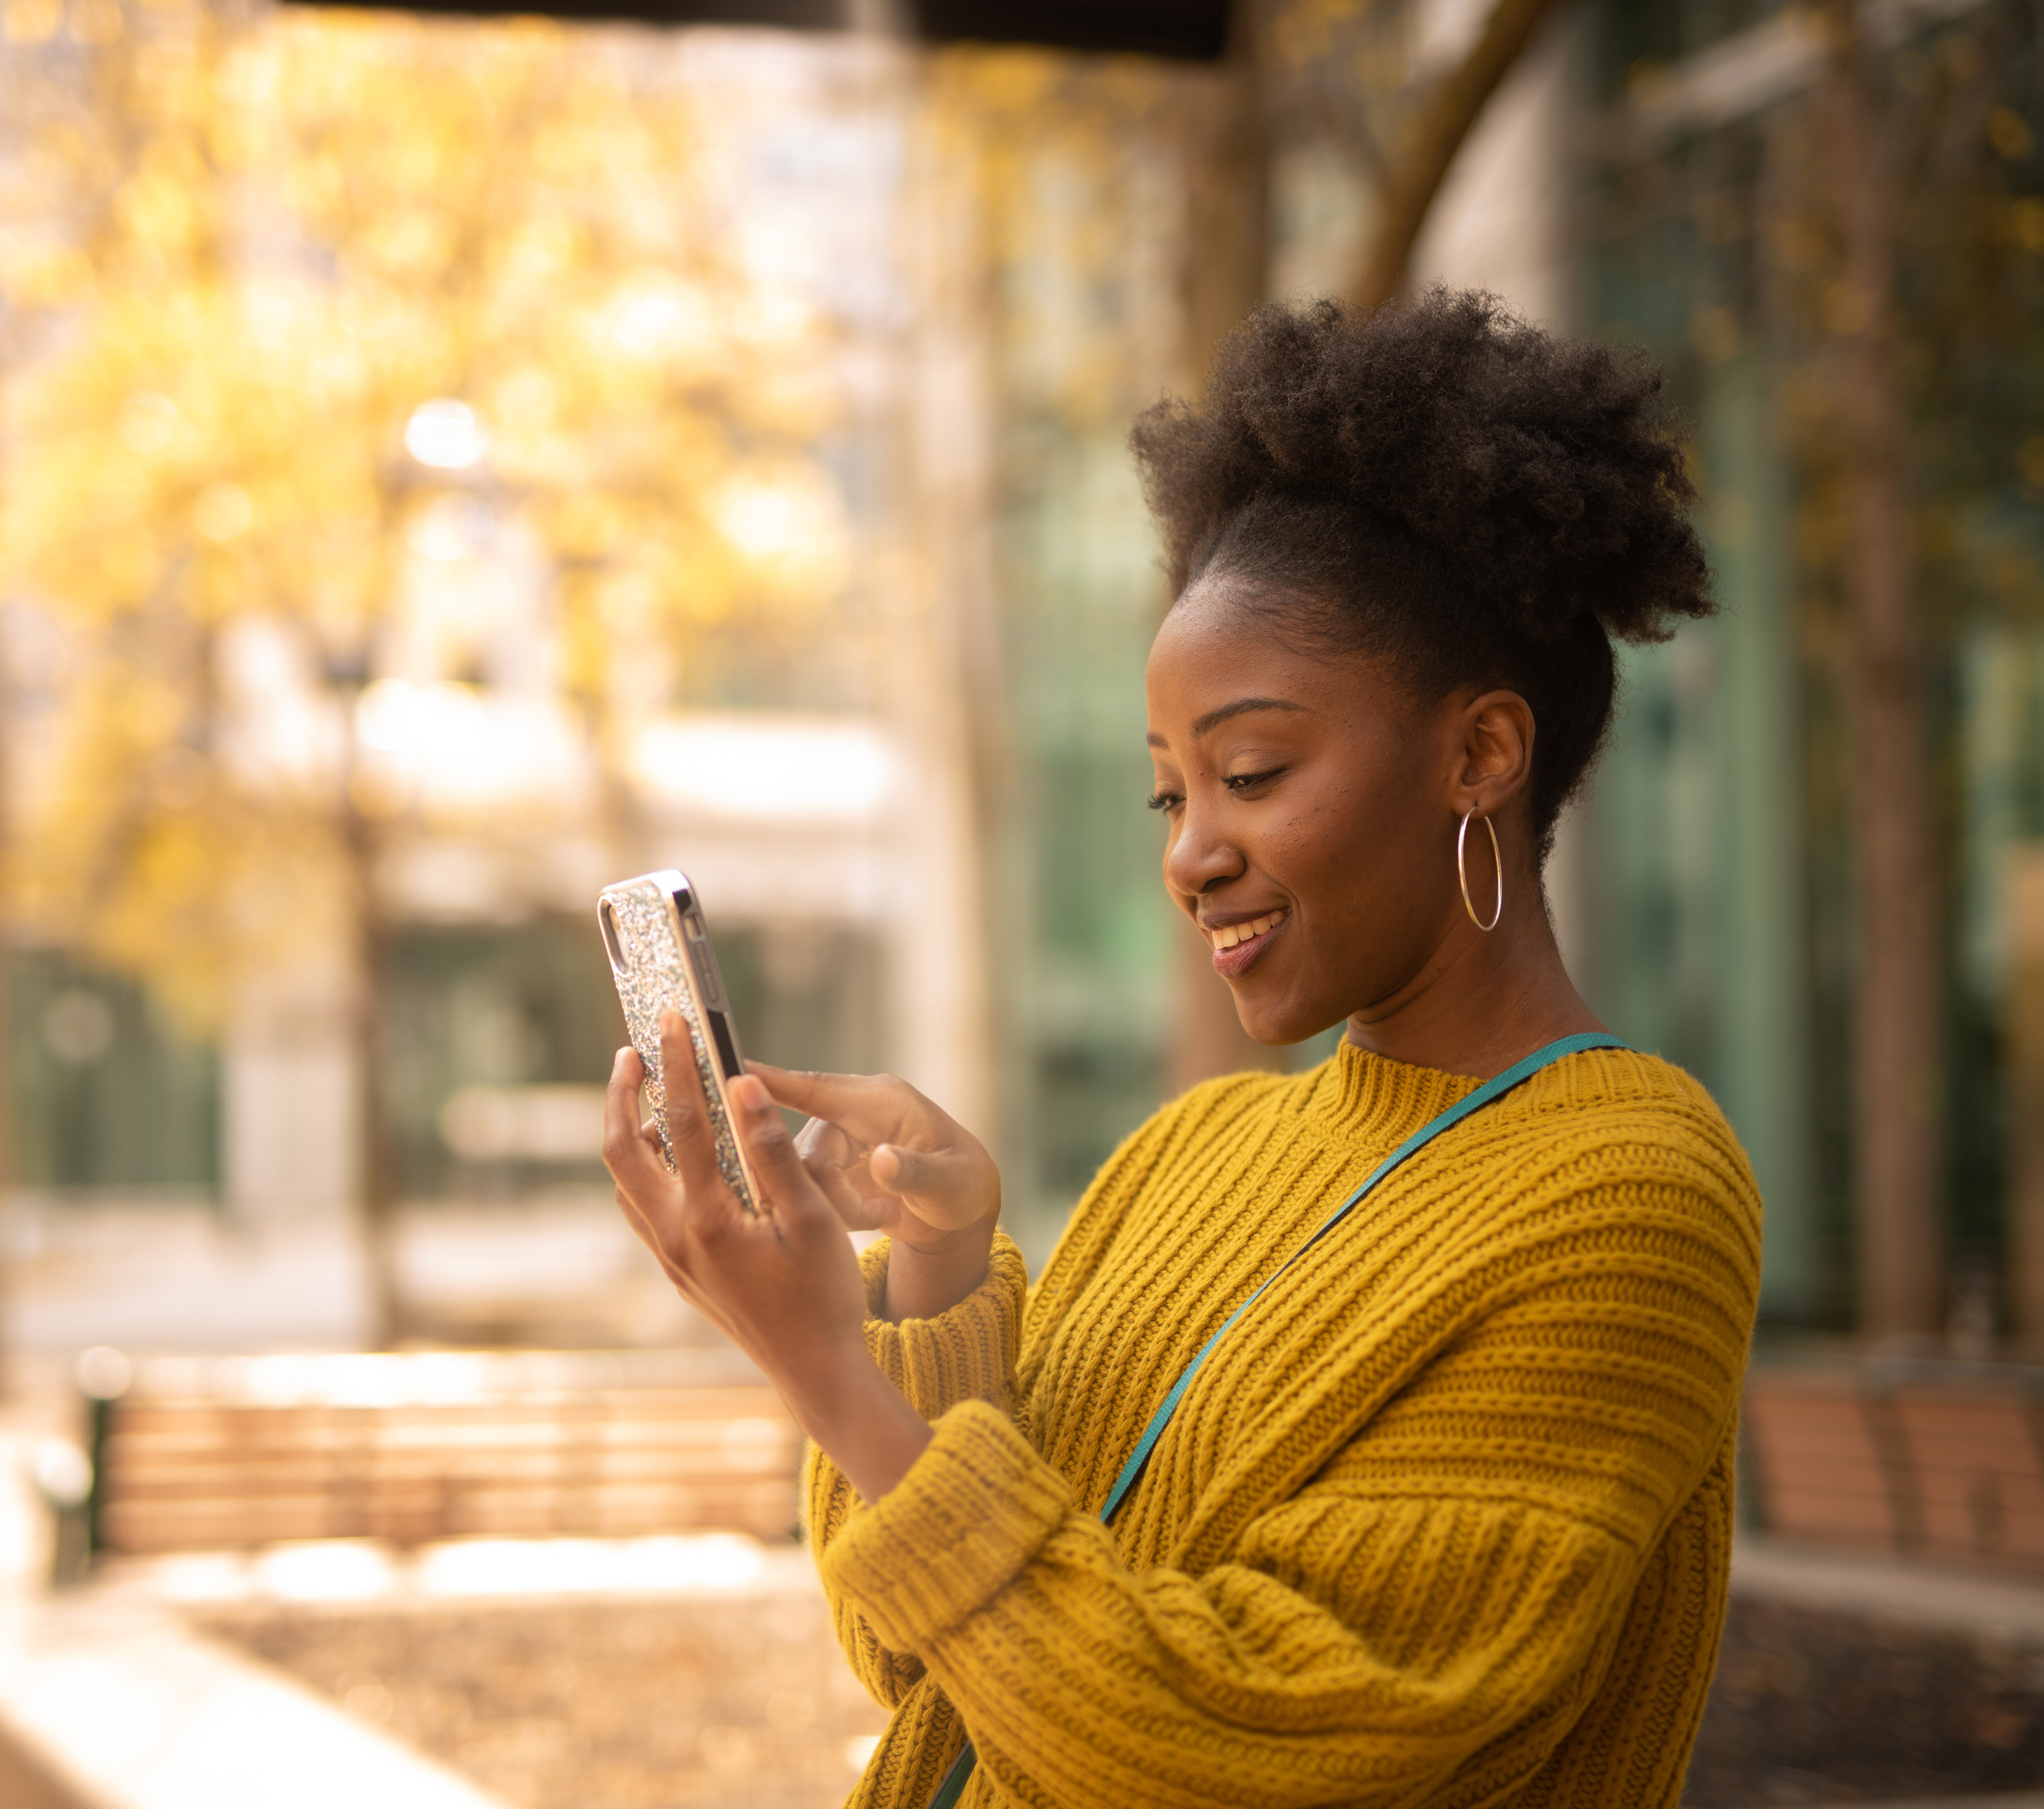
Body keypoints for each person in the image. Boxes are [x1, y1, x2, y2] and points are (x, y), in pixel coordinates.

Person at [601, 289, 1761, 1809]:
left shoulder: (1626, 1197)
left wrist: (822, 1365)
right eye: (1170, 797)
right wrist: (940, 1281)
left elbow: (1238, 1747)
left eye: (1252, 772)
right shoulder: (1192, 1153)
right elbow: (926, 1665)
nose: (1190, 854)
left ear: (1478, 754)